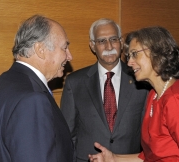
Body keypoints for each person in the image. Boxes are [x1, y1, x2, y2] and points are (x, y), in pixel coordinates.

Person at [89, 26, 179, 162]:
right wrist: (113, 158)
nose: (130, 62)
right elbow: (150, 157)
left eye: (135, 54)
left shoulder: (176, 101)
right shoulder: (154, 95)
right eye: (129, 56)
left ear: (157, 52)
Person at [60, 18, 148, 162]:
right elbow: (67, 134)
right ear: (93, 46)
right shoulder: (75, 82)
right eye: (101, 41)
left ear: (121, 41)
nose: (109, 46)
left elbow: (148, 134)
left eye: (113, 39)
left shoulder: (141, 79)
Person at [0, 15, 74, 162]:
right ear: (40, 50)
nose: (70, 56)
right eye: (64, 48)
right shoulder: (32, 100)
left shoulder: (3, 82)